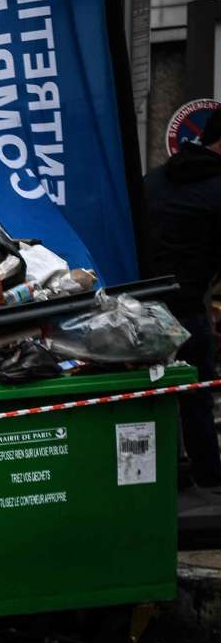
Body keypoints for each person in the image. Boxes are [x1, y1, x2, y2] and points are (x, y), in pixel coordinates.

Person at [144, 115, 221, 489]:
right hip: (187, 306)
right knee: (196, 393)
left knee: (153, 393)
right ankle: (207, 476)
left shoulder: (156, 178)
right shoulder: (217, 187)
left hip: (140, 305)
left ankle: (165, 476)